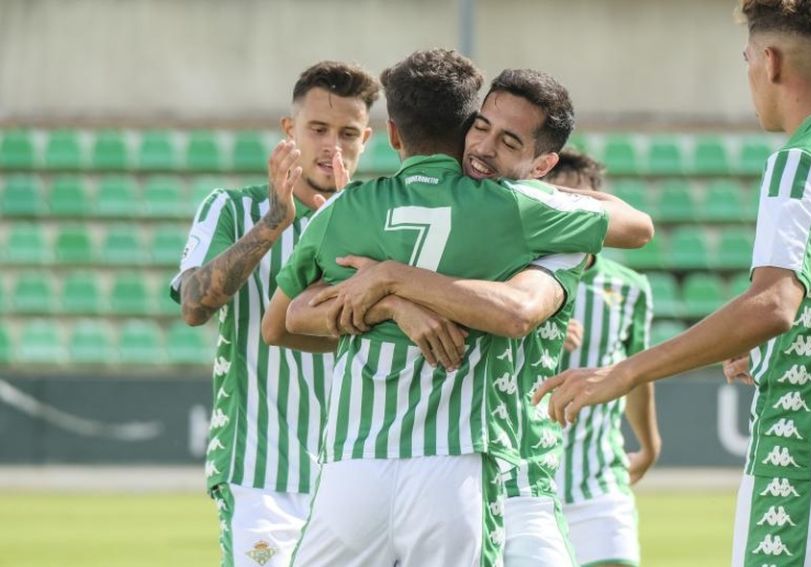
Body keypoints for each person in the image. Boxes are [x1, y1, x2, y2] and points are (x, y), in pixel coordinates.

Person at [535, 2, 811, 566]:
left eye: (746, 60)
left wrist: (624, 370)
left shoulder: (803, 160)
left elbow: (773, 305)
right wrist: (778, 345)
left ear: (771, 61)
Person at [261, 49, 653, 567]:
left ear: (394, 134)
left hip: (356, 464)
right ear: (466, 123)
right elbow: (638, 228)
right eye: (482, 128)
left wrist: (390, 282)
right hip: (460, 465)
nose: (487, 147)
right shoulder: (518, 211)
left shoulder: (344, 209)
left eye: (507, 140)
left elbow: (282, 322)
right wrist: (396, 303)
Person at [168, 61, 381, 567]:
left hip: (358, 472)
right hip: (260, 472)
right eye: (318, 129)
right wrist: (272, 224)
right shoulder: (231, 209)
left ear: (367, 139)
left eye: (348, 133)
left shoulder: (378, 222)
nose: (333, 146)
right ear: (290, 132)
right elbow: (195, 306)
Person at [544, 149, 660, 567]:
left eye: (583, 204)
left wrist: (649, 443)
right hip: (524, 484)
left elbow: (637, 373)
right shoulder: (514, 281)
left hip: (598, 480)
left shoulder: (628, 287)